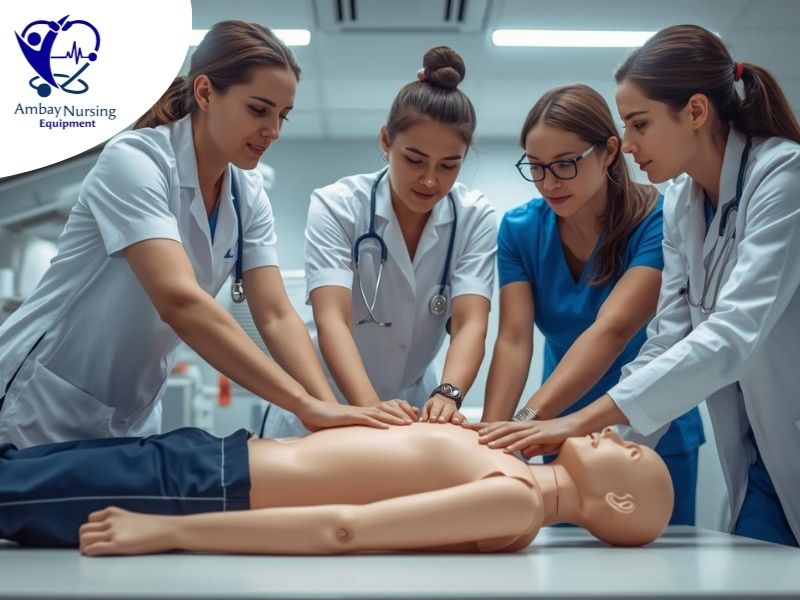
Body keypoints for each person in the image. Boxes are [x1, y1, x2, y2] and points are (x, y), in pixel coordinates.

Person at [0, 21, 404, 449]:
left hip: (130, 412)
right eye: (259, 110)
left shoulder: (247, 194)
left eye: (282, 115)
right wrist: (303, 404)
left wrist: (329, 410)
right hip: (39, 398)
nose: (274, 130)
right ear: (206, 93)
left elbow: (275, 315)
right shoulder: (135, 160)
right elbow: (181, 303)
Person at [471, 24, 800, 547]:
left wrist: (574, 423)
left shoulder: (783, 176)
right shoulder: (684, 204)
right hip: (753, 442)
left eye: (639, 123)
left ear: (695, 112)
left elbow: (732, 332)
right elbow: (665, 340)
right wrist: (603, 445)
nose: (627, 144)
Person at [480, 84, 703, 525]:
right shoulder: (520, 230)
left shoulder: (658, 220)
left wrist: (527, 417)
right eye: (536, 167)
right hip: (560, 433)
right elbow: (514, 338)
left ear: (608, 152)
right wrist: (490, 436)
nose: (549, 183)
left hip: (650, 426)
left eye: (565, 164)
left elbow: (613, 330)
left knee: (663, 559)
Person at [263, 47, 496, 437]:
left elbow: (471, 321)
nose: (430, 180)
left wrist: (449, 393)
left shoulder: (473, 216)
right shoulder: (338, 206)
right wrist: (369, 408)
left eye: (449, 165)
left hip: (413, 403)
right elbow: (332, 318)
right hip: (329, 398)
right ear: (386, 141)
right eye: (414, 159)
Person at [0, 424, 674, 554]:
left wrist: (169, 530)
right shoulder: (511, 460)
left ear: (618, 502)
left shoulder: (514, 501)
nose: (615, 434)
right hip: (215, 458)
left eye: (630, 451)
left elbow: (345, 527)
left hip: (206, 489)